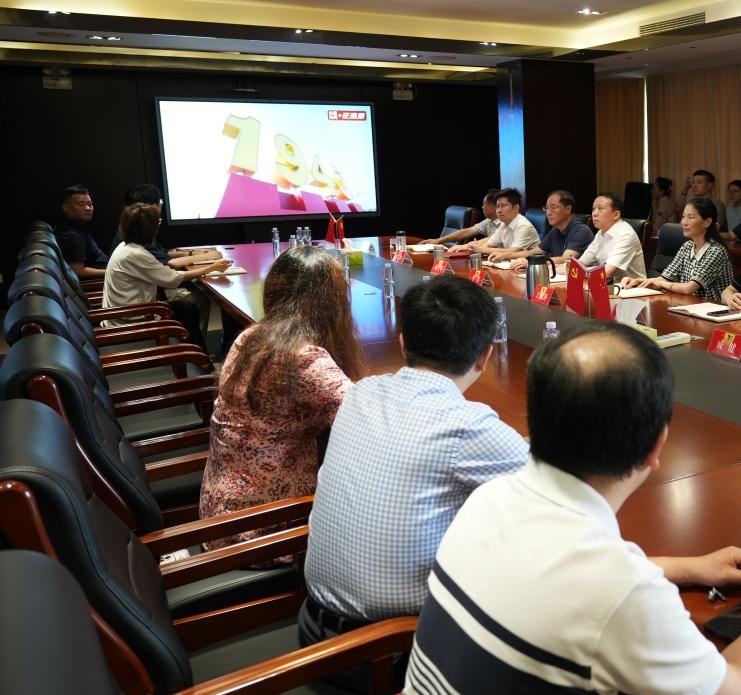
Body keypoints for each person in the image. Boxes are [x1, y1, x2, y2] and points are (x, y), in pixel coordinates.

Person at [401, 324, 741, 695]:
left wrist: (688, 568)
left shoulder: (488, 499)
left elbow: (564, 582)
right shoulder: (621, 588)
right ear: (656, 446)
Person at [303, 275, 528, 655]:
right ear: (485, 356)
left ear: (403, 341)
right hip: (391, 651)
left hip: (313, 625)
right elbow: (553, 487)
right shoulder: (467, 426)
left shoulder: (360, 393)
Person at [199, 246, 366, 547]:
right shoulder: (303, 358)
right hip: (264, 533)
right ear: (332, 304)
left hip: (220, 516)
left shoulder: (249, 337)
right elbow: (370, 420)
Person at [103, 203, 231, 352]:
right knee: (188, 309)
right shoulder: (136, 254)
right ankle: (196, 356)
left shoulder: (125, 247)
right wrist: (211, 268)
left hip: (123, 314)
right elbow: (172, 278)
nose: (158, 227)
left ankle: (195, 351)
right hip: (132, 319)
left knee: (185, 308)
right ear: (149, 228)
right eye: (157, 223)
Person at [621, 197, 734, 299]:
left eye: (690, 217)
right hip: (690, 306)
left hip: (713, 309)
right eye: (683, 216)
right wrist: (638, 282)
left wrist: (661, 284)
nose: (684, 222)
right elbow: (664, 278)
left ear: (707, 222)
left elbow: (688, 288)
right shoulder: (687, 247)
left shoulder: (716, 251)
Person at [502, 189, 593, 266]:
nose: (548, 213)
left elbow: (565, 259)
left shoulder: (581, 231)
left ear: (568, 209)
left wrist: (533, 261)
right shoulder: (555, 230)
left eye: (553, 207)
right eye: (546, 208)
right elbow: (531, 253)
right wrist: (504, 255)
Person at [577, 191, 647, 280]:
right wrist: (570, 269)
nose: (594, 213)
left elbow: (606, 272)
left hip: (632, 287)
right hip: (609, 285)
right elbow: (581, 263)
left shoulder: (625, 235)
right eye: (593, 209)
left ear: (616, 215)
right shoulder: (601, 232)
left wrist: (577, 272)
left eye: (600, 208)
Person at [451, 187, 538, 255]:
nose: (499, 210)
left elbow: (513, 252)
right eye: (497, 206)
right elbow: (489, 244)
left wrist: (482, 249)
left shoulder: (523, 225)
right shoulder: (504, 224)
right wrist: (471, 247)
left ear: (516, 208)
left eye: (503, 205)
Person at [54, 185, 109, 280]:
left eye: (90, 204)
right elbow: (78, 271)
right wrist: (112, 272)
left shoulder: (75, 227)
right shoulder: (71, 236)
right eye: (81, 204)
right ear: (66, 207)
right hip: (102, 282)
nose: (88, 208)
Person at [424, 189, 500, 245]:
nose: (482, 207)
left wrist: (465, 246)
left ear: (492, 207)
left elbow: (492, 238)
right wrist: (438, 240)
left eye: (484, 204)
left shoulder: (504, 222)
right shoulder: (489, 221)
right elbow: (467, 231)